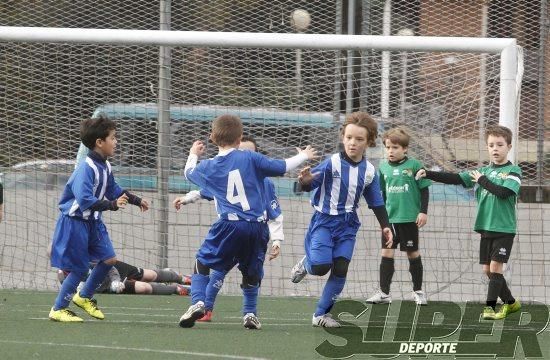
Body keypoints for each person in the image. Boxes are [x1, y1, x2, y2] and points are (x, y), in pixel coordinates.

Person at [177, 114, 316, 329]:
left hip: (229, 225)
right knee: (251, 272)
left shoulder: (211, 166)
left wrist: (193, 154)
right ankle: (250, 314)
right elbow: (282, 166)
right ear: (240, 137)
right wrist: (304, 156)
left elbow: (189, 173)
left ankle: (197, 301)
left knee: (202, 262)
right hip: (258, 227)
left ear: (212, 138)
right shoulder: (251, 159)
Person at [291, 112, 393, 328]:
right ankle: (305, 263)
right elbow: (304, 185)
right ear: (342, 137)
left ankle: (321, 314)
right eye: (348, 138)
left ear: (369, 142)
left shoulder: (370, 171)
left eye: (359, 139)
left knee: (340, 269)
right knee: (320, 267)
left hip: (348, 225)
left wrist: (386, 226)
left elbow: (376, 201)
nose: (352, 143)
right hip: (324, 221)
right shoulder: (332, 164)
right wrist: (304, 181)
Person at [48, 116, 150, 322]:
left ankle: (84, 296)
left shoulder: (106, 166)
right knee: (78, 268)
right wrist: (112, 205)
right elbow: (85, 200)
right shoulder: (85, 169)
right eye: (113, 138)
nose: (116, 141)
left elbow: (114, 190)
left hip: (94, 222)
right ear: (99, 142)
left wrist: (136, 200)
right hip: (75, 223)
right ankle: (58, 309)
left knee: (109, 259)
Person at [173, 135, 284, 322]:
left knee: (249, 273)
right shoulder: (229, 173)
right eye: (243, 151)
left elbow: (274, 212)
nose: (245, 155)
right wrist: (187, 198)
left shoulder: (265, 183)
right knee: (219, 271)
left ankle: (245, 313)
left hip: (248, 231)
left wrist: (277, 239)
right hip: (239, 230)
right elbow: (205, 191)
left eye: (250, 153)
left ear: (257, 157)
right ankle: (207, 309)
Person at [416, 125, 521, 320]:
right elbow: (456, 178)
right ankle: (511, 303)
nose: (495, 148)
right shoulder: (481, 171)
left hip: (504, 229)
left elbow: (504, 193)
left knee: (496, 268)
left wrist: (482, 180)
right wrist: (428, 173)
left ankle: (490, 308)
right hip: (485, 228)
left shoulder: (513, 171)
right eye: (491, 145)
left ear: (509, 146)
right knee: (488, 271)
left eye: (500, 144)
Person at [366, 127, 431, 305]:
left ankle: (418, 291)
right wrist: (383, 219)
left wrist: (423, 211)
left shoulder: (415, 166)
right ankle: (384, 293)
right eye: (388, 147)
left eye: (395, 147)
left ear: (405, 149)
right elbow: (382, 195)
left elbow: (424, 190)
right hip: (390, 220)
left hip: (409, 219)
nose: (390, 151)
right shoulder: (384, 167)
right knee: (386, 253)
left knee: (413, 253)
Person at [57, 262, 191, 296]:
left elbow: (109, 267)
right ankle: (176, 289)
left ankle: (180, 278)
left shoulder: (82, 258)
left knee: (148, 275)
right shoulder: (62, 275)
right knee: (143, 288)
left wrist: (116, 280)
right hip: (106, 287)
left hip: (114, 271)